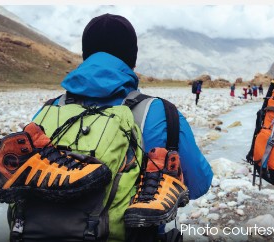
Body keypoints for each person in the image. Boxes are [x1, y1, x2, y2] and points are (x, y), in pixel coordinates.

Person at [30, 13, 213, 241]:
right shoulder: (160, 112)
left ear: (85, 56)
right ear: (133, 60)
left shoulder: (50, 110)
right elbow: (198, 185)